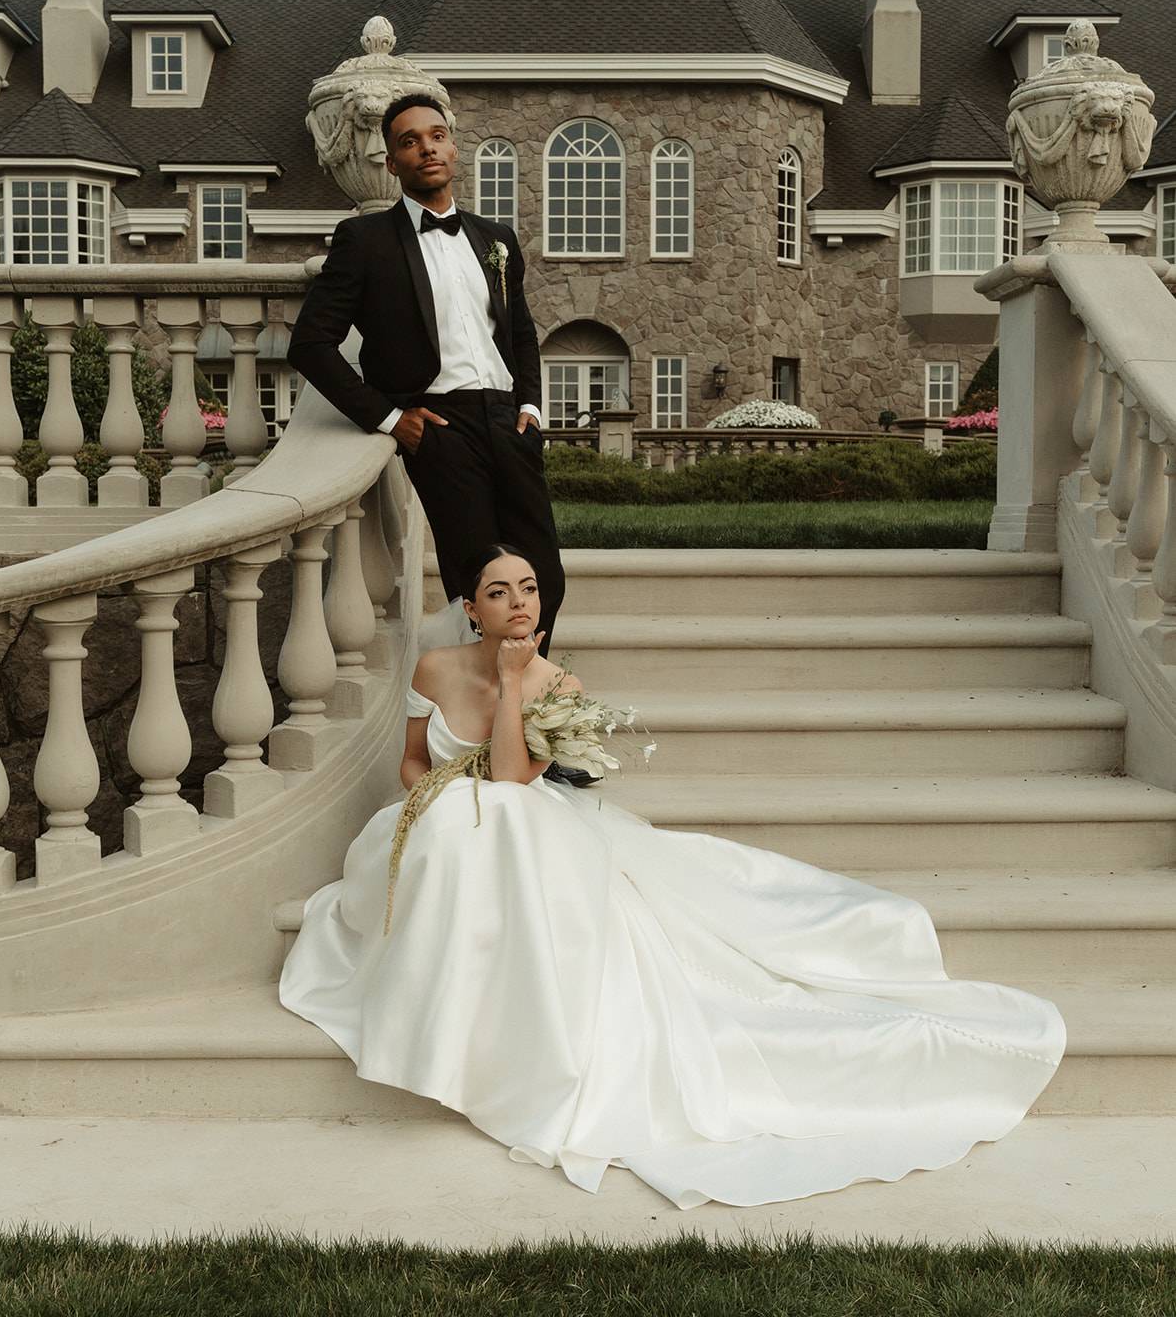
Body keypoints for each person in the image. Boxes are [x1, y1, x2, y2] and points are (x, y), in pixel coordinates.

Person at [279, 543, 1066, 1212]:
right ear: (470, 608)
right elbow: (413, 760)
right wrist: (434, 796)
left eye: (527, 588)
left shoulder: (559, 686)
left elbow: (517, 777)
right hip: (436, 823)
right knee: (460, 826)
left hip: (519, 825)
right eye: (498, 592)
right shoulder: (436, 663)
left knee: (503, 824)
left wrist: (516, 683)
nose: (518, 602)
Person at [286, 94, 565, 653]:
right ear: (391, 163)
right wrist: (390, 419)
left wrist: (531, 409)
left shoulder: (497, 240)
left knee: (545, 582)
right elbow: (310, 344)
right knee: (482, 585)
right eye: (409, 141)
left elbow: (520, 333)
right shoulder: (365, 242)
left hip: (510, 423)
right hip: (440, 428)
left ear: (454, 148)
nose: (426, 148)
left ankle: (524, 705)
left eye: (435, 135)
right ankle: (488, 724)